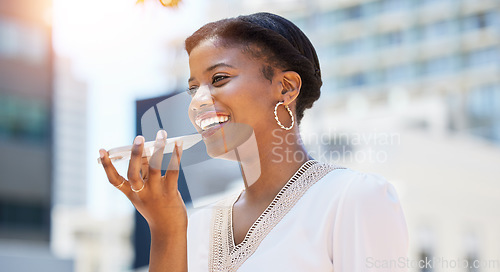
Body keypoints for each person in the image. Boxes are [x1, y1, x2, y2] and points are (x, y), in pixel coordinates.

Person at [99, 12, 408, 272]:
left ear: (286, 88)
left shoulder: (354, 198)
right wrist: (165, 230)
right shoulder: (196, 226)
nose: (198, 103)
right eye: (194, 89)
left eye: (219, 79)